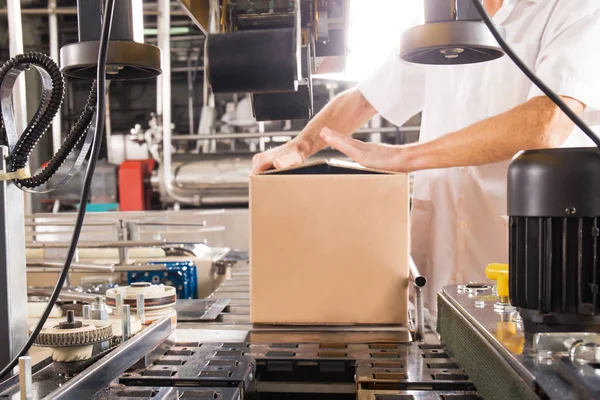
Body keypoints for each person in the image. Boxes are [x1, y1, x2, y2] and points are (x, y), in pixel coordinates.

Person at [251, 0, 600, 310]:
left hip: (530, 258)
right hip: (442, 257)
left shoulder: (575, 8)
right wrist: (300, 145)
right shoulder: (445, 18)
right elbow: (365, 98)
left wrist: (406, 157)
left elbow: (546, 122)